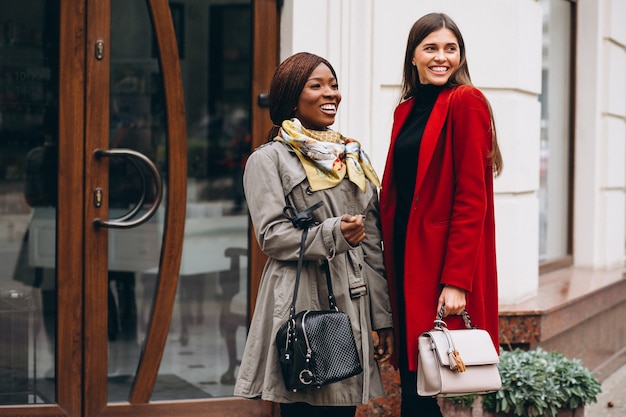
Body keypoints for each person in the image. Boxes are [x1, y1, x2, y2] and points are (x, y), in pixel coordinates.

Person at [234, 52, 394, 417]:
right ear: (292, 96)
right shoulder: (268, 159)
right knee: (305, 406)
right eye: (317, 85)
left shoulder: (352, 156)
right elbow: (272, 236)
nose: (331, 94)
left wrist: (381, 318)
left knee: (342, 408)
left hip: (351, 301)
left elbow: (371, 246)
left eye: (334, 85)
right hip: (302, 300)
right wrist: (334, 232)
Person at [379, 13, 503, 417]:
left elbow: (472, 197)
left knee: (425, 384)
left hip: (438, 262)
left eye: (451, 49)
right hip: (404, 254)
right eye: (430, 48)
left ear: (461, 56)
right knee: (416, 380)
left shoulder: (465, 101)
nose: (441, 57)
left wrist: (456, 281)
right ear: (413, 56)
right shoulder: (406, 109)